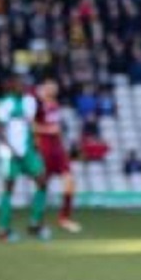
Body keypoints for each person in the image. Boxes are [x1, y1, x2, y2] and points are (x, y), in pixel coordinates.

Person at [0, 75, 50, 242]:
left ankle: (35, 224)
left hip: (28, 151)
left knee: (42, 181)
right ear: (10, 85)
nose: (22, 86)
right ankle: (3, 230)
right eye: (18, 83)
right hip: (9, 153)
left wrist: (35, 143)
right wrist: (10, 148)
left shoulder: (30, 101)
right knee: (8, 189)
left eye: (24, 83)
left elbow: (30, 124)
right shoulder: (4, 104)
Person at [34, 78, 81, 233]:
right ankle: (38, 220)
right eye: (49, 87)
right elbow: (31, 125)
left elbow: (57, 128)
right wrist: (48, 130)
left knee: (70, 182)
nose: (53, 89)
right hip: (45, 149)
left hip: (58, 150)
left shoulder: (55, 105)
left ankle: (64, 218)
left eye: (55, 87)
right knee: (42, 186)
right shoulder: (37, 105)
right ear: (43, 88)